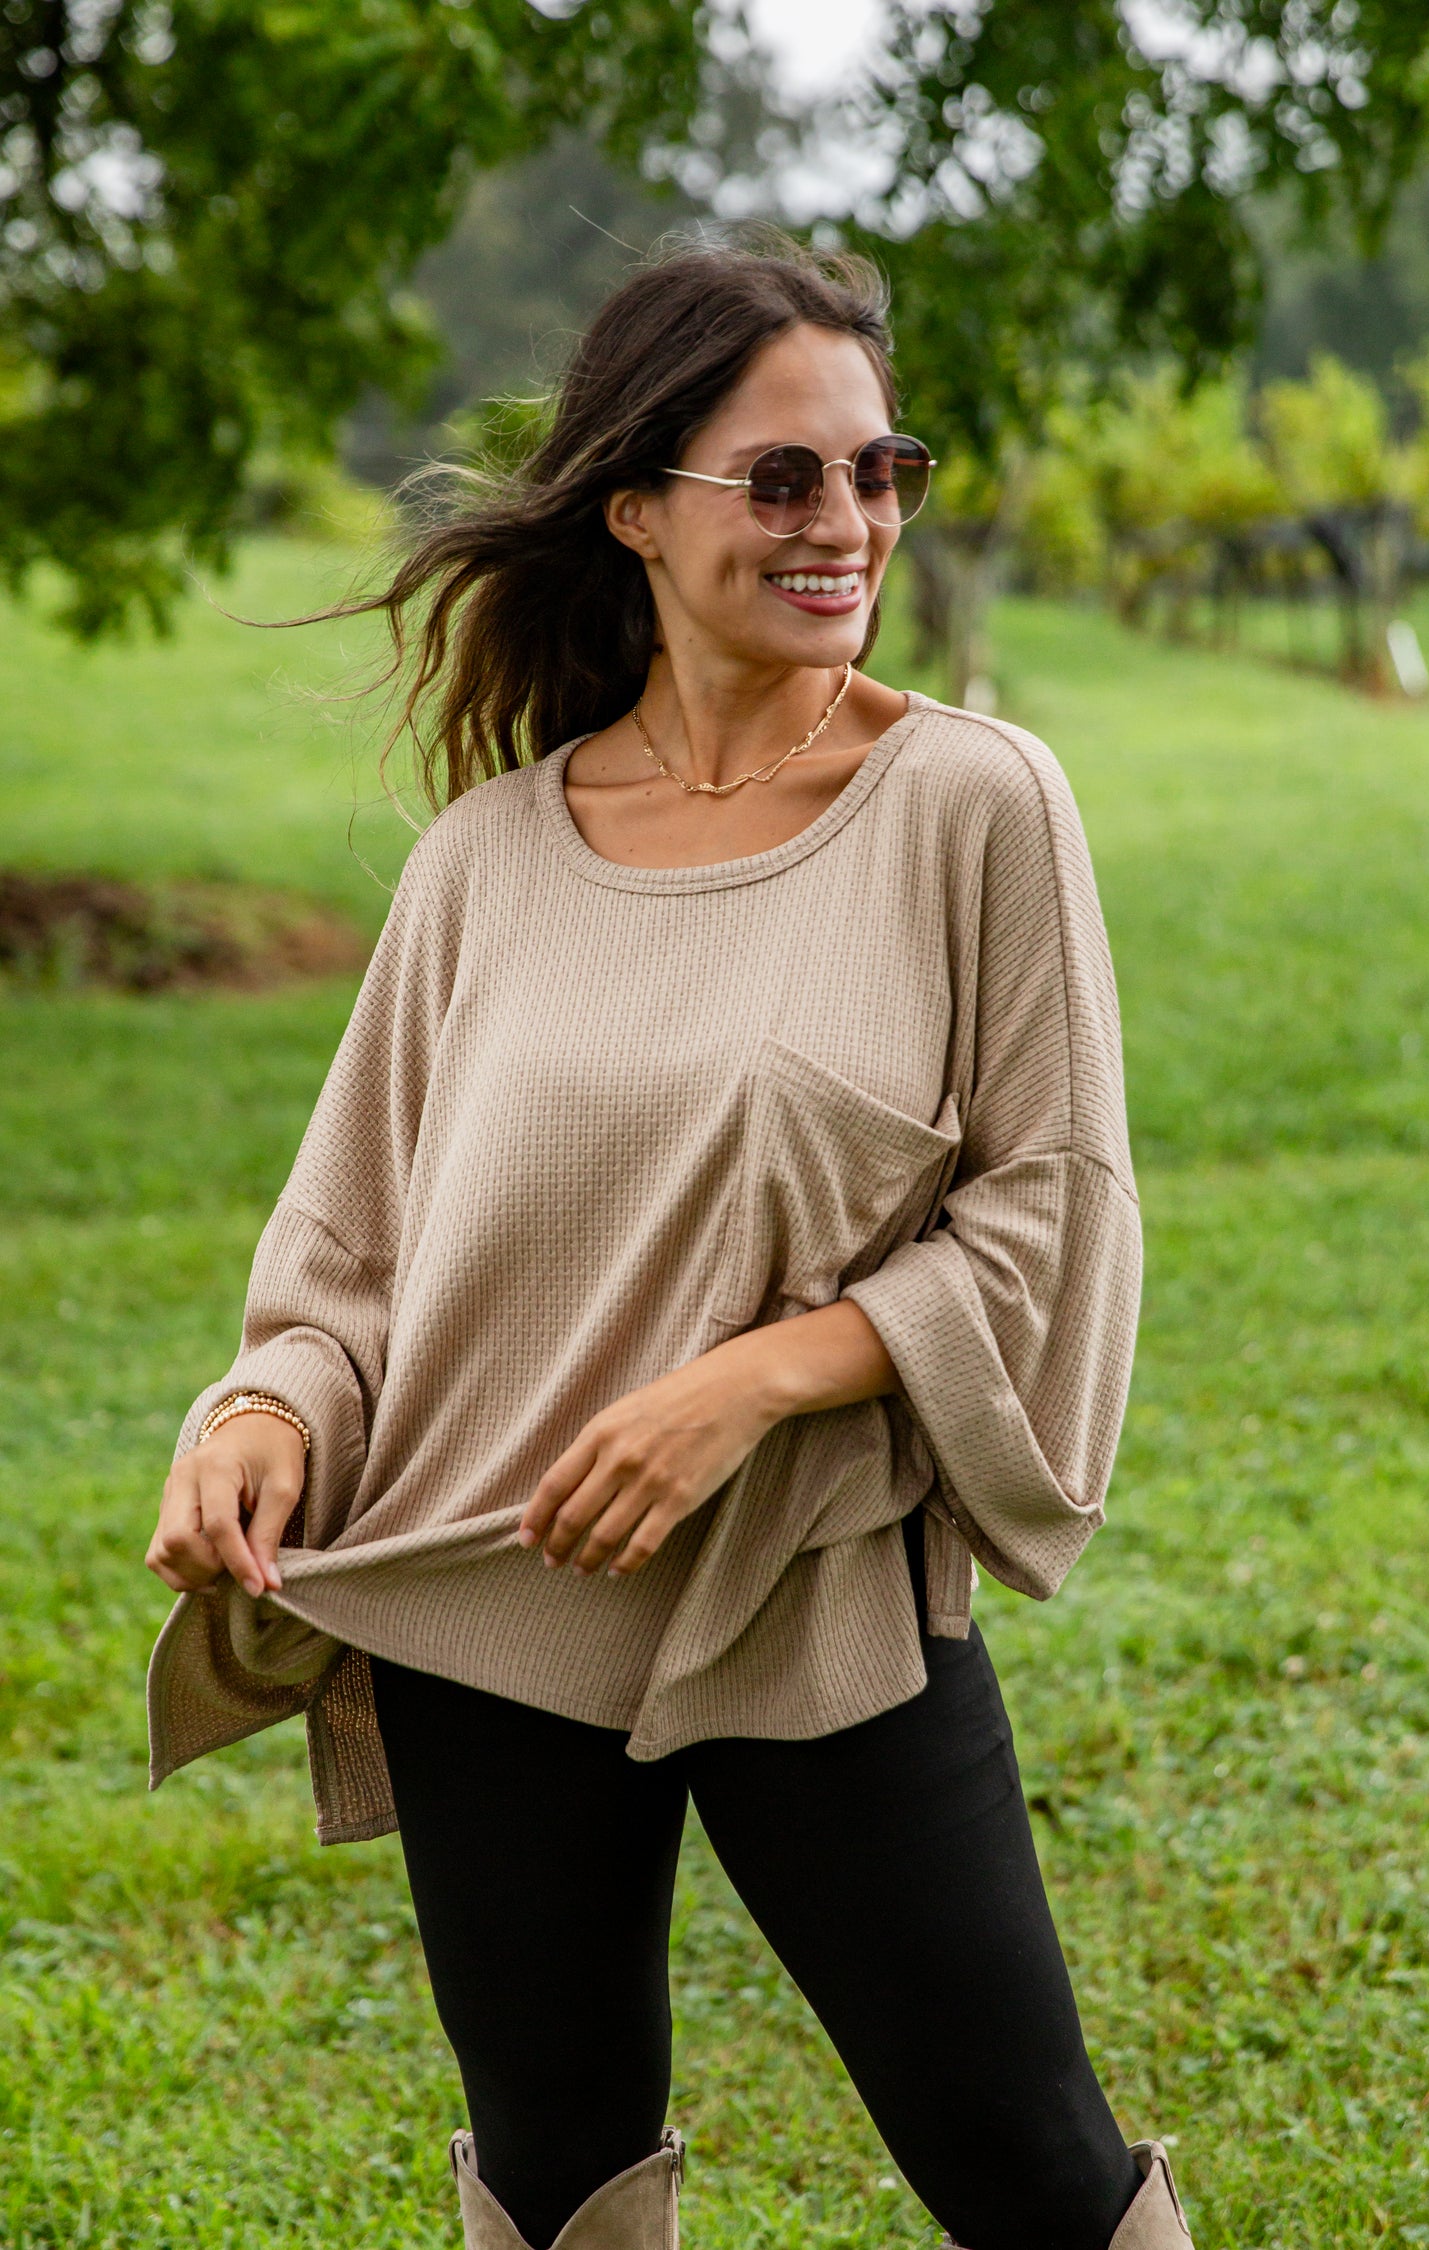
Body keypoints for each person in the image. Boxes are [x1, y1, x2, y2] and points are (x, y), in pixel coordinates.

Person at [144, 237, 1193, 2250]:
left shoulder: (971, 802)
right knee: (554, 2172)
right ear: (635, 506)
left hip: (809, 1591)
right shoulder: (487, 859)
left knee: (1034, 2170)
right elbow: (349, 1258)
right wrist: (265, 1409)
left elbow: (1052, 1205)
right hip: (487, 1593)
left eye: (883, 471)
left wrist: (753, 1381)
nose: (848, 523)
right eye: (782, 479)